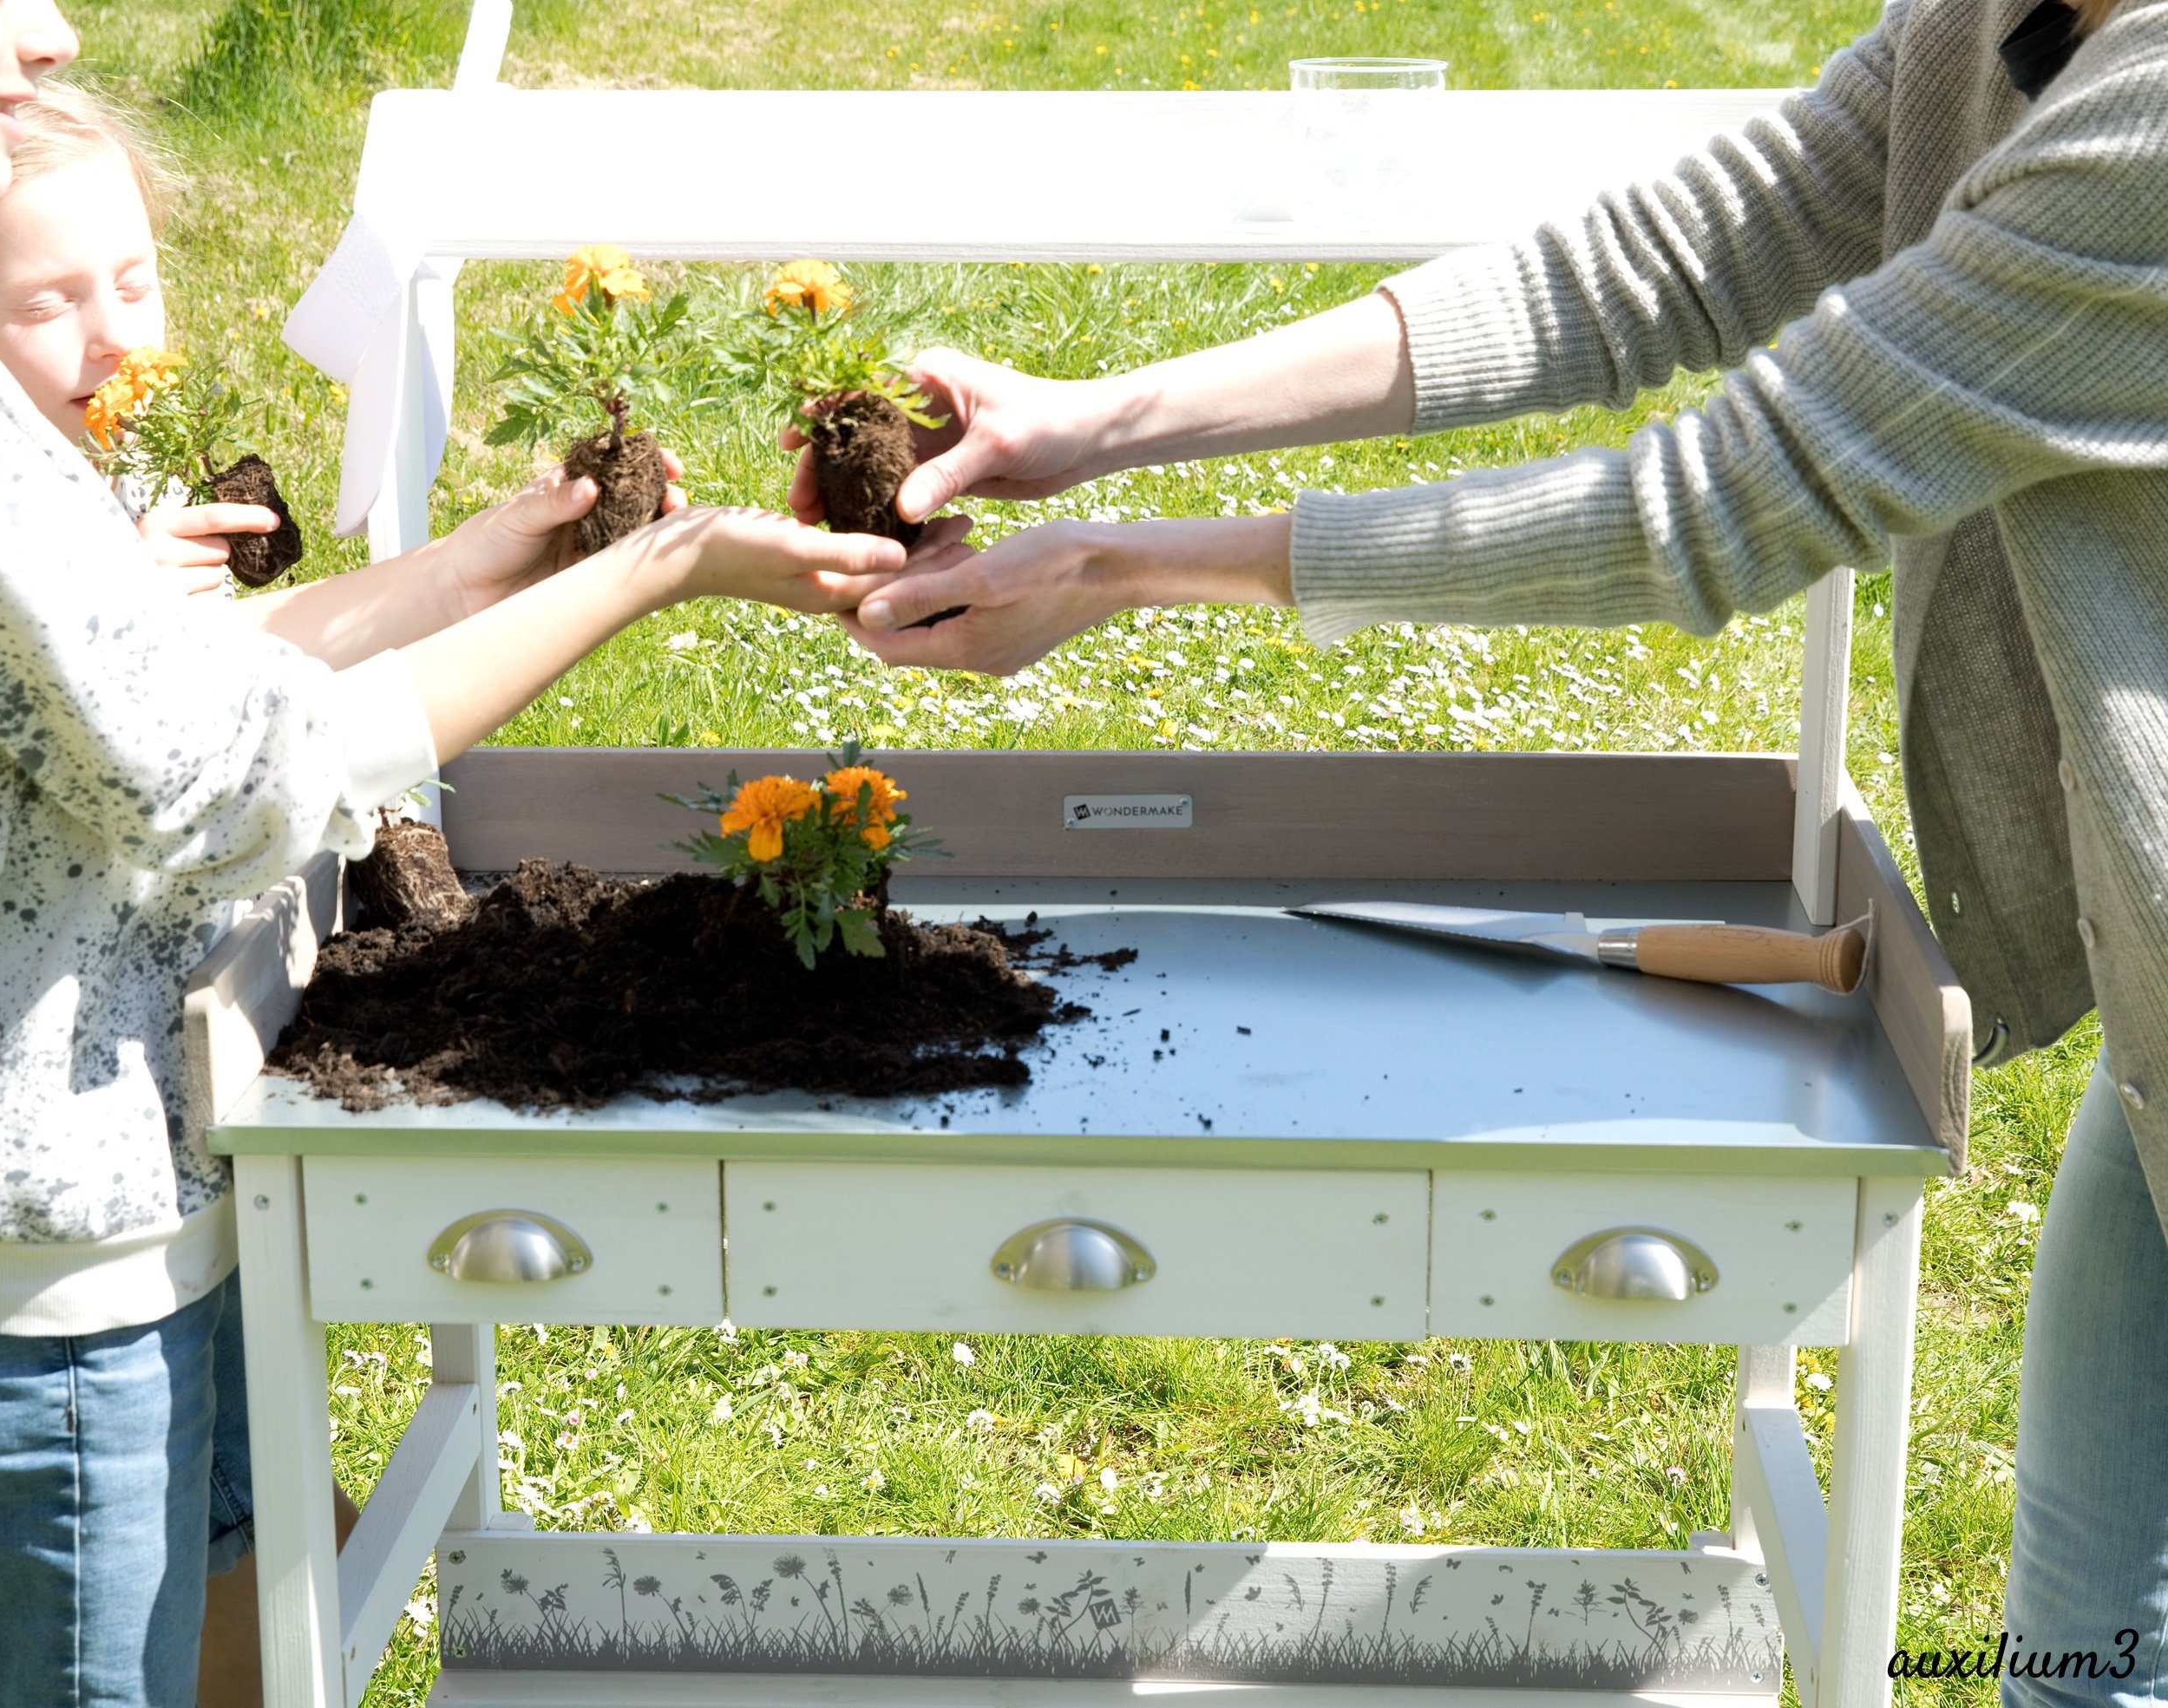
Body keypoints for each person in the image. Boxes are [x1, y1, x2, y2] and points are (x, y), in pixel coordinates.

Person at [829, 0, 2168, 1694]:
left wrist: (1120, 569)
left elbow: (1715, 504)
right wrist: (1097, 422)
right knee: (2084, 1661)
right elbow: (1644, 268)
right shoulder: (2003, 22)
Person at [0, 6, 914, 1705]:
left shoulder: (6, 441)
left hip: (146, 1172)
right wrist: (645, 569)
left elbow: (195, 687)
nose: (56, 26)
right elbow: (237, 776)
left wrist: (486, 564)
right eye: (46, 302)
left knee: (259, 1593)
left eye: (135, 283)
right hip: (42, 1257)